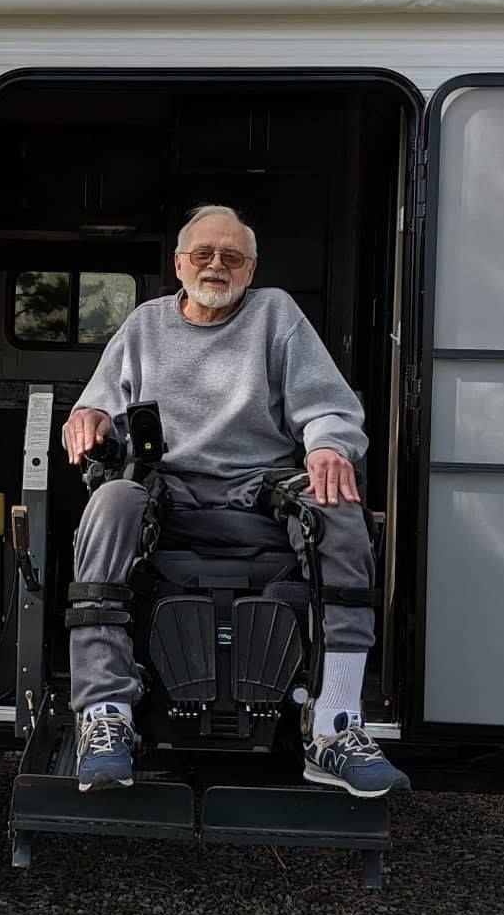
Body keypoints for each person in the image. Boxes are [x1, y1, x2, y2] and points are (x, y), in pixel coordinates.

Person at [61, 204, 410, 799]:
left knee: (340, 509)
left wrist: (328, 447)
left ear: (251, 267)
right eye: (203, 253)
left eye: (232, 256)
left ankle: (334, 727)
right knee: (111, 502)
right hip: (164, 487)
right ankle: (106, 712)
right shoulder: (144, 326)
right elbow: (98, 409)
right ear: (179, 263)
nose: (216, 265)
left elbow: (329, 407)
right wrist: (88, 416)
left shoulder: (277, 316)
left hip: (261, 485)